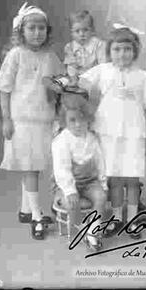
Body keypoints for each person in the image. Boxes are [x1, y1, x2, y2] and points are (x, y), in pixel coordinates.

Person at [0, 2, 65, 240]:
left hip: (44, 121)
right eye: (32, 28)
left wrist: (58, 90)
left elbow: (59, 86)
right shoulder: (15, 55)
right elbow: (4, 89)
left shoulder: (51, 57)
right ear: (21, 31)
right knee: (30, 167)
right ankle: (36, 215)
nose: (37, 33)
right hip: (22, 121)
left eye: (42, 28)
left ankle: (26, 210)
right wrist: (6, 119)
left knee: (36, 165)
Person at [78, 27, 146, 238]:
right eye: (117, 49)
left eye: (127, 49)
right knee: (114, 179)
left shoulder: (142, 76)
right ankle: (115, 218)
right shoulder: (103, 70)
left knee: (131, 179)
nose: (122, 54)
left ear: (135, 51)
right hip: (108, 134)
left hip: (134, 135)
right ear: (109, 51)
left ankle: (131, 220)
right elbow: (80, 84)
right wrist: (85, 107)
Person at [51, 93, 108, 251]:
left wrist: (103, 183)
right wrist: (70, 190)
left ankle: (92, 231)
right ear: (64, 121)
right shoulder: (62, 141)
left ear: (88, 119)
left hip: (89, 182)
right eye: (72, 120)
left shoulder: (92, 139)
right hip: (68, 184)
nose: (78, 125)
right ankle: (79, 227)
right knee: (72, 202)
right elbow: (61, 169)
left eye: (81, 119)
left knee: (101, 197)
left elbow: (100, 162)